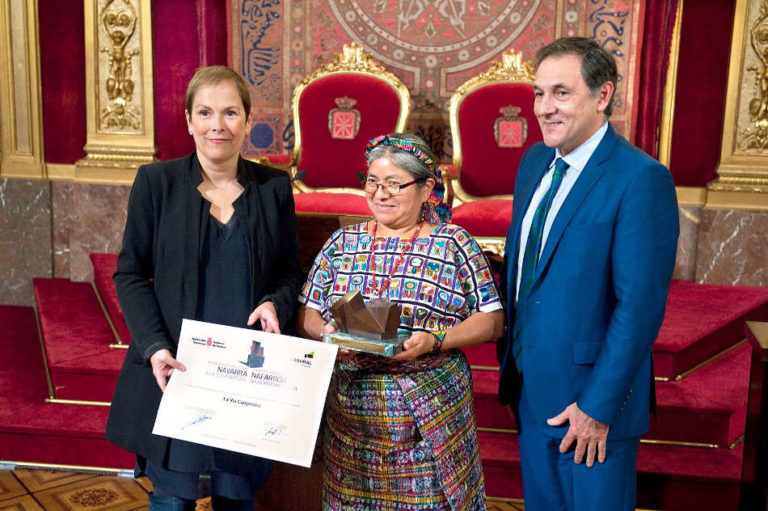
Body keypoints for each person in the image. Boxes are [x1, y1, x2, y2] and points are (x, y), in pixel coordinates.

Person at [105, 66, 302, 510]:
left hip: (243, 382)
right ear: (189, 120)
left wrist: (276, 303)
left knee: (237, 496)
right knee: (173, 499)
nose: (218, 125)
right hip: (177, 373)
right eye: (206, 112)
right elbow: (130, 274)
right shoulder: (157, 184)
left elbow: (290, 271)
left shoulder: (273, 188)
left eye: (231, 112)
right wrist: (154, 346)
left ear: (248, 121)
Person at [496, 37, 679, 510]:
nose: (544, 108)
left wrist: (598, 408)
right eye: (539, 93)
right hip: (531, 387)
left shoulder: (640, 178)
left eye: (561, 92)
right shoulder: (534, 161)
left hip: (591, 407)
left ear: (602, 95)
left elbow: (639, 307)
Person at [297, 133, 505, 510]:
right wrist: (325, 333)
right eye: (373, 182)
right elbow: (308, 311)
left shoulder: (453, 244)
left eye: (394, 184)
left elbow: (492, 321)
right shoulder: (343, 242)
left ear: (426, 189)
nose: (380, 194)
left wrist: (436, 339)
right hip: (352, 418)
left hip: (427, 411)